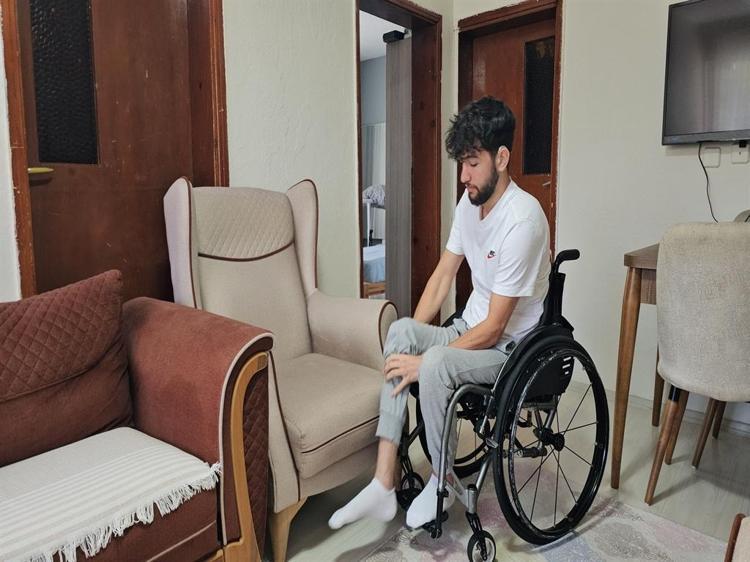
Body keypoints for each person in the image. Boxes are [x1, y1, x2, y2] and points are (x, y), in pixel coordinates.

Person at [329, 96, 551, 530]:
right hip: (470, 329)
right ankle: (383, 482)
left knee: (433, 364)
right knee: (401, 334)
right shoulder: (467, 206)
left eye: (472, 163)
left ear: (502, 158)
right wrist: (414, 339)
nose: (463, 176)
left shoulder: (523, 220)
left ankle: (442, 481)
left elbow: (495, 327)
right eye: (461, 163)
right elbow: (442, 276)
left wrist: (426, 361)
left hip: (509, 350)